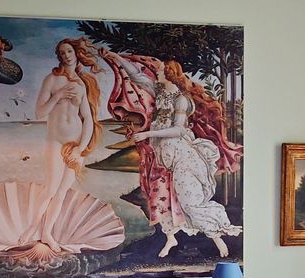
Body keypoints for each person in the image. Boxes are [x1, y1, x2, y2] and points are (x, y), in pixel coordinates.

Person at [100, 49, 242, 258]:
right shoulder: (160, 91)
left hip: (182, 157)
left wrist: (148, 133)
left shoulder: (180, 99)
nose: (155, 73)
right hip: (163, 156)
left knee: (189, 201)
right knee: (158, 197)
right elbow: (136, 76)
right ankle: (170, 238)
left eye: (160, 71)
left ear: (169, 74)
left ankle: (218, 238)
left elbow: (178, 130)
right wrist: (115, 57)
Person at [32, 37, 103, 255]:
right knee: (51, 189)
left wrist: (81, 148)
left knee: (62, 192)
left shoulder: (82, 84)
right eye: (62, 53)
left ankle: (47, 234)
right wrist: (59, 96)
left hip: (75, 143)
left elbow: (88, 119)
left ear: (76, 53)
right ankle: (32, 229)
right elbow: (39, 113)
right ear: (59, 57)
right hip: (55, 141)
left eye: (69, 51)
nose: (66, 55)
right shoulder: (51, 80)